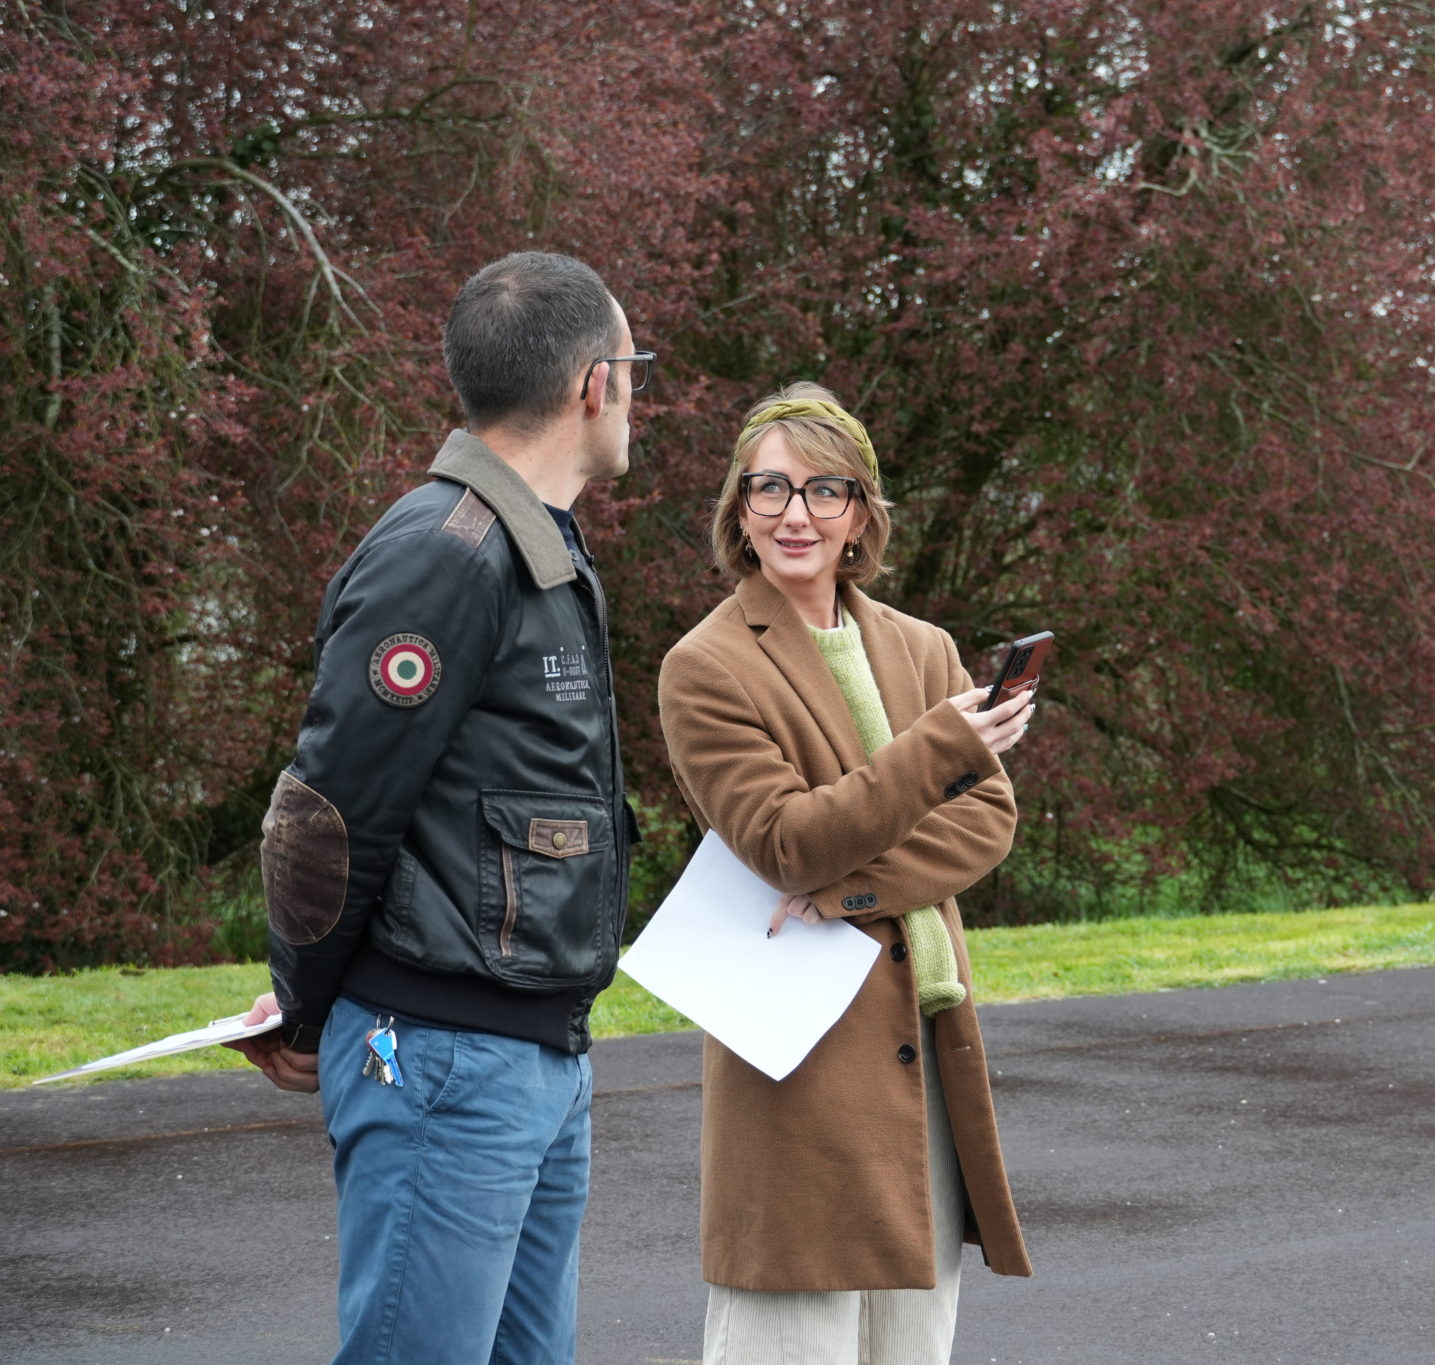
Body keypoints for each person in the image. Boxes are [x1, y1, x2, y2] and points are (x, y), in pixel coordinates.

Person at [224, 251, 650, 1365]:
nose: (634, 394)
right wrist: (305, 1007)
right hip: (444, 1059)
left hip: (533, 1055)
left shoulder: (536, 543)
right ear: (593, 384)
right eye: (634, 367)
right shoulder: (445, 553)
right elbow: (325, 816)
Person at [658, 382, 1034, 1364]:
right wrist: (940, 749)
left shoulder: (922, 647)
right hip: (802, 1071)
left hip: (929, 1054)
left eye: (825, 490)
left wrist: (840, 896)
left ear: (860, 513)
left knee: (912, 1350)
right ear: (739, 509)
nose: (797, 513)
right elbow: (786, 841)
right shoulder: (704, 666)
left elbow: (985, 819)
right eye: (771, 488)